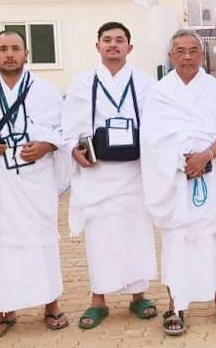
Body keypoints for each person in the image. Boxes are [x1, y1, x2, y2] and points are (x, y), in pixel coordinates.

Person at [0, 30, 71, 338]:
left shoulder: (46, 92)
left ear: (26, 54)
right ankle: (5, 310)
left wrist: (46, 145)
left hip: (36, 180)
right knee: (2, 245)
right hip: (0, 181)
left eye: (15, 49)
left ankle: (51, 305)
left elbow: (63, 131)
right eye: (2, 49)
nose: (9, 54)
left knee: (43, 239)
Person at [141, 29, 216, 336]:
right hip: (175, 177)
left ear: (202, 55)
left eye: (193, 51)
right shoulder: (159, 93)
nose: (187, 57)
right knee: (177, 241)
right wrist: (182, 160)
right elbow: (151, 137)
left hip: (209, 176)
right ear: (171, 56)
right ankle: (176, 306)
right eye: (180, 51)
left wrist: (205, 156)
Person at [63, 22, 157, 329]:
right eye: (107, 40)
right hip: (97, 173)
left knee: (136, 234)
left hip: (133, 172)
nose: (113, 45)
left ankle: (138, 296)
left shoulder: (145, 83)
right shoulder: (81, 84)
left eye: (119, 40)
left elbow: (157, 127)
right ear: (98, 46)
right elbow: (68, 129)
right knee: (99, 238)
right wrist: (73, 151)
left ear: (130, 48)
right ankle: (98, 300)